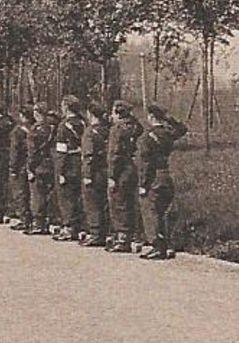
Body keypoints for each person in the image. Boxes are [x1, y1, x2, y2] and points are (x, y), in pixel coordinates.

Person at [136, 104, 188, 260]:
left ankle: (156, 246)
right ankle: (166, 244)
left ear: (151, 117)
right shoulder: (167, 133)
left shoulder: (147, 137)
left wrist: (144, 184)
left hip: (153, 177)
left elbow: (146, 163)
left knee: (150, 211)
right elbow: (182, 129)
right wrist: (168, 119)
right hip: (166, 175)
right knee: (162, 212)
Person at [105, 100, 144, 253]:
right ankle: (132, 235)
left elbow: (115, 154)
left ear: (118, 113)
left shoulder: (117, 129)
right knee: (129, 202)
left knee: (118, 201)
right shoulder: (135, 127)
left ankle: (122, 238)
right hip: (132, 166)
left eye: (113, 112)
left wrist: (112, 176)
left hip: (120, 169)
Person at [52, 96, 87, 241]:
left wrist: (60, 171)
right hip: (81, 161)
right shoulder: (83, 123)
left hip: (68, 162)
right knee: (78, 195)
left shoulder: (63, 126)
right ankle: (80, 225)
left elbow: (61, 151)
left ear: (66, 107)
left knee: (66, 196)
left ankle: (69, 226)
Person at [79, 102, 111, 247]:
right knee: (104, 202)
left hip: (94, 171)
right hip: (107, 169)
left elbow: (88, 155)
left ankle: (96, 233)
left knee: (92, 203)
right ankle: (105, 232)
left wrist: (86, 175)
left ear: (90, 115)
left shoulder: (90, 132)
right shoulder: (109, 129)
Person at [26, 105, 56, 235]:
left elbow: (33, 151)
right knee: (49, 195)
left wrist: (30, 167)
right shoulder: (53, 128)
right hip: (52, 164)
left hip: (38, 165)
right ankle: (50, 220)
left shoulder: (35, 129)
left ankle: (39, 223)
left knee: (37, 195)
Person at [8, 103, 34, 232]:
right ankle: (34, 219)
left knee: (20, 192)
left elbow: (15, 150)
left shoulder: (18, 131)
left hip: (21, 165)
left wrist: (13, 167)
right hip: (33, 163)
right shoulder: (35, 128)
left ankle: (24, 219)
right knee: (33, 193)